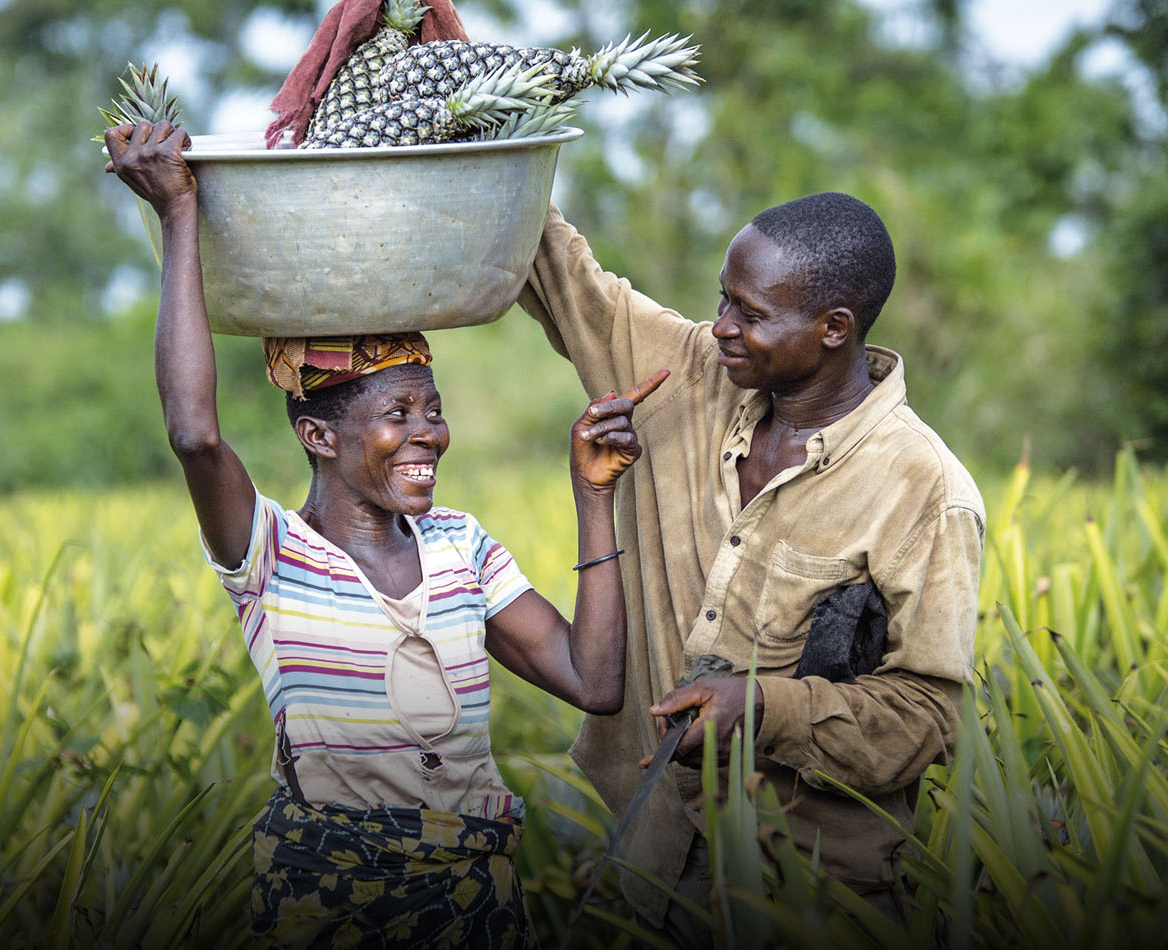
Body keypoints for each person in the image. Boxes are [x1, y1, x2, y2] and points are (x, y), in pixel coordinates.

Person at [103, 119, 669, 947]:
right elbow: (195, 435)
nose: (428, 435)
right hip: (331, 905)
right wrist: (179, 214)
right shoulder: (271, 556)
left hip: (477, 902)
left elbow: (593, 682)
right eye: (396, 415)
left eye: (433, 411)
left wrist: (593, 496)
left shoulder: (460, 546)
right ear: (319, 436)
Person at [516, 193, 985, 938]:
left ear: (835, 330)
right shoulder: (693, 376)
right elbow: (557, 272)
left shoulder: (923, 489)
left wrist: (762, 708)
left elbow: (927, 717)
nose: (722, 328)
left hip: (810, 887)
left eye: (752, 314)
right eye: (722, 300)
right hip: (659, 858)